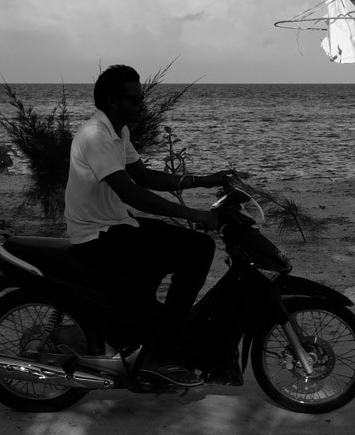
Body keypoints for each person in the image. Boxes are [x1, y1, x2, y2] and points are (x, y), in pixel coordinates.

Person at [65, 64, 237, 388]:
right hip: (97, 236)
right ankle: (159, 353)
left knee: (200, 246)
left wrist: (204, 180)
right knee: (195, 253)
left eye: (140, 98)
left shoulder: (120, 132)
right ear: (113, 101)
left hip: (116, 223)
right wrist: (196, 215)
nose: (141, 105)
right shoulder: (96, 135)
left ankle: (154, 332)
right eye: (135, 99)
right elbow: (132, 193)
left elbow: (145, 177)